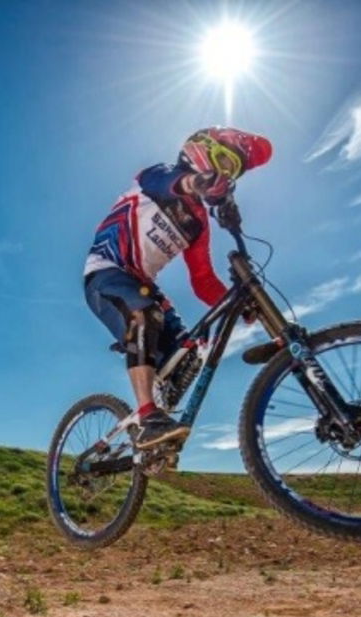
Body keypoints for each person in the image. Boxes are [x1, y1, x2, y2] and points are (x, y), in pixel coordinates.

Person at [83, 127, 273, 449]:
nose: (225, 175)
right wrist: (192, 182)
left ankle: (159, 431)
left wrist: (240, 305)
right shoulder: (160, 175)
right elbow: (164, 182)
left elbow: (202, 281)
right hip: (106, 273)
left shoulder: (198, 223)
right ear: (202, 150)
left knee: (190, 352)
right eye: (224, 163)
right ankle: (147, 417)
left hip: (143, 286)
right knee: (144, 315)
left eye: (232, 172)